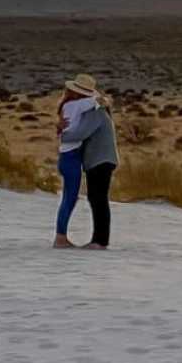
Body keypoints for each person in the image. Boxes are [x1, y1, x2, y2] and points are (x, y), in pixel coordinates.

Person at [60, 78, 120, 250]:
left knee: (98, 199)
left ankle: (100, 241)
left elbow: (80, 133)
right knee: (97, 198)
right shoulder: (95, 110)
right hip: (99, 160)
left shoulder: (95, 113)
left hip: (100, 160)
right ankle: (98, 239)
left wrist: (62, 135)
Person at [53, 75, 98, 248]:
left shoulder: (66, 105)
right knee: (69, 199)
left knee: (67, 198)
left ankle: (61, 235)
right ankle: (60, 237)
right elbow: (100, 100)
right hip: (71, 157)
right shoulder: (79, 104)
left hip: (66, 156)